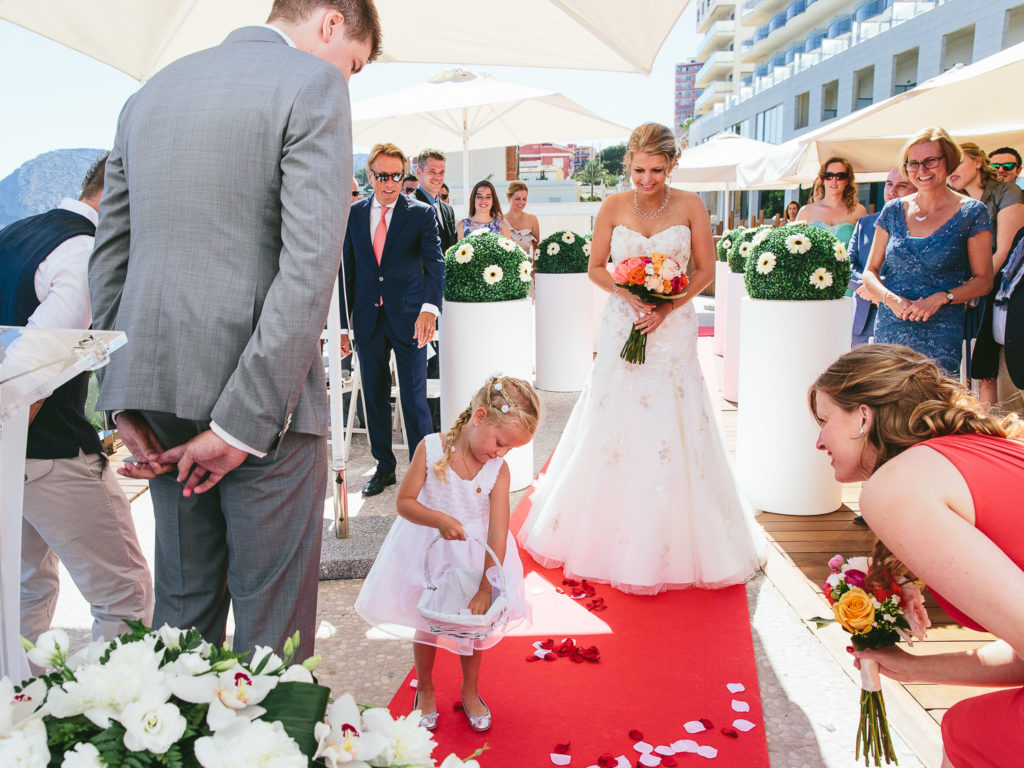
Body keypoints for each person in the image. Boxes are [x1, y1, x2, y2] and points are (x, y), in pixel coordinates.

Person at [89, 0, 382, 657]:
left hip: (153, 392)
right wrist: (239, 424)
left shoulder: (148, 96)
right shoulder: (314, 85)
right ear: (331, 22)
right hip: (261, 401)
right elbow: (311, 264)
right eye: (355, 64)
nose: (348, 76)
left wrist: (119, 398)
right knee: (271, 630)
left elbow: (110, 256)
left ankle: (172, 750)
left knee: (181, 615)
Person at [516, 122, 766, 594]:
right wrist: (629, 295)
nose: (646, 179)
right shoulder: (611, 206)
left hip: (672, 327)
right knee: (614, 413)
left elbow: (705, 269)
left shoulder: (691, 205)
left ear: (672, 165)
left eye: (656, 169)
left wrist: (668, 305)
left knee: (676, 415)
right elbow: (594, 268)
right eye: (638, 169)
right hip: (622, 321)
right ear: (627, 162)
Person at [810, 343, 1024, 768]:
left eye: (824, 420)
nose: (818, 441)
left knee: (973, 730)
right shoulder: (981, 449)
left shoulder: (893, 486)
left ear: (863, 417)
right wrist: (909, 668)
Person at [0, 154, 153, 644]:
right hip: (49, 454)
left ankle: (18, 704)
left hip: (12, 458)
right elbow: (32, 368)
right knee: (124, 595)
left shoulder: (17, 233)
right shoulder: (86, 252)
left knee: (26, 588)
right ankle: (116, 710)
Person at [355, 376, 538, 732]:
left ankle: (470, 690)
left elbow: (498, 533)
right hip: (428, 550)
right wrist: (439, 519)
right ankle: (425, 688)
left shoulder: (497, 470)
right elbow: (404, 503)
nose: (501, 453)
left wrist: (486, 586)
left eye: (509, 449)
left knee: (474, 626)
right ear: (479, 416)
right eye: (501, 442)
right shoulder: (432, 448)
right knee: (425, 623)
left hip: (474, 558)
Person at [340, 143, 445, 497]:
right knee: (374, 395)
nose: (389, 183)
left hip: (410, 319)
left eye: (396, 176)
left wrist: (429, 310)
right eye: (382, 176)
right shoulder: (354, 215)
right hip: (368, 320)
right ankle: (384, 467)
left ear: (404, 176)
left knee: (415, 399)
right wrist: (343, 325)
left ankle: (425, 470)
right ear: (370, 176)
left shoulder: (419, 213)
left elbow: (435, 265)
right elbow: (347, 275)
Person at [862, 127, 993, 377]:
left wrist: (943, 297)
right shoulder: (892, 210)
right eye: (913, 164)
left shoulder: (972, 212)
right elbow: (870, 272)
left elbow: (984, 280)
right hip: (891, 326)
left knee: (933, 408)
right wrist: (891, 300)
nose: (921, 170)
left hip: (941, 331)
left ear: (948, 161)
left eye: (931, 161)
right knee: (887, 405)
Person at [951, 143, 1024, 408]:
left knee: (986, 371)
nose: (950, 170)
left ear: (978, 162)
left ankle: (994, 432)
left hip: (994, 288)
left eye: (957, 162)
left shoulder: (1007, 192)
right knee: (966, 370)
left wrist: (973, 287)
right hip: (960, 292)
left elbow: (1005, 248)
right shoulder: (952, 198)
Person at [848, 168, 916, 347]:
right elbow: (848, 264)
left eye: (901, 186)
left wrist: (879, 290)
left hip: (901, 316)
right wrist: (869, 288)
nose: (892, 191)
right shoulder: (865, 223)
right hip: (863, 317)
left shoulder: (921, 226)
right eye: (888, 184)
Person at [796, 156, 867, 245]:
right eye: (829, 176)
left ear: (847, 180)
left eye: (840, 176)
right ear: (823, 179)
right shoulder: (806, 211)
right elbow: (794, 248)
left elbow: (865, 248)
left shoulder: (858, 211)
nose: (834, 181)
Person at [412, 149, 457, 253]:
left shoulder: (448, 209)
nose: (438, 177)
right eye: (432, 171)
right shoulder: (408, 206)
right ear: (419, 172)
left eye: (441, 172)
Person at [504, 181, 540, 255]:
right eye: (517, 199)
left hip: (527, 265)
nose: (521, 202)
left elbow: (536, 248)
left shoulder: (532, 219)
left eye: (524, 199)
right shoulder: (500, 221)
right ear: (508, 197)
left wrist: (535, 266)